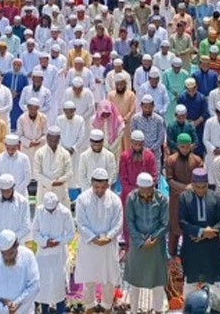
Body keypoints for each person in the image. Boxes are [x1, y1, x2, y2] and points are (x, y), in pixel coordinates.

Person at [75, 167, 124, 312]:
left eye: (103, 187)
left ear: (108, 185)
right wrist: (94, 238)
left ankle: (107, 306)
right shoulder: (82, 199)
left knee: (108, 279)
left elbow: (118, 223)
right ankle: (89, 306)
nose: (100, 190)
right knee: (88, 279)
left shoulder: (115, 200)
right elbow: (81, 223)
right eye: (96, 187)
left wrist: (108, 237)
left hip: (108, 247)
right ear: (91, 183)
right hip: (89, 246)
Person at [123, 172, 169, 314]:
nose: (146, 194)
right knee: (134, 280)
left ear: (153, 187)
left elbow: (165, 223)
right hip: (138, 245)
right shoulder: (131, 198)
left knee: (158, 281)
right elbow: (129, 223)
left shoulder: (162, 199)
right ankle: (134, 310)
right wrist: (141, 241)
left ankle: (158, 310)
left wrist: (153, 238)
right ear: (138, 188)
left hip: (156, 244)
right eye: (142, 191)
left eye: (148, 190)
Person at [178, 167, 220, 294]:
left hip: (211, 248)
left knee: (212, 285)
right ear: (192, 184)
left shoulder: (215, 197)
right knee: (191, 283)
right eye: (197, 187)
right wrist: (200, 231)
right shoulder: (184, 198)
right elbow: (182, 222)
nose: (201, 190)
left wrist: (207, 233)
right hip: (192, 248)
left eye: (204, 187)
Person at [0, 229, 41, 314]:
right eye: (4, 254)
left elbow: (35, 285)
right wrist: (3, 308)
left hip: (24, 310)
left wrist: (16, 303)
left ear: (16, 246)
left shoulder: (28, 255)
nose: (7, 257)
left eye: (10, 253)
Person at [165, 133, 203, 256]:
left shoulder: (197, 160)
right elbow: (169, 180)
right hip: (176, 200)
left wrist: (194, 188)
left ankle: (190, 257)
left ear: (191, 146)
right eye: (182, 147)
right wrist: (184, 188)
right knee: (174, 229)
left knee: (190, 229)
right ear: (177, 146)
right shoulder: (171, 160)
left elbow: (201, 178)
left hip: (192, 200)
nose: (185, 150)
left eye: (187, 147)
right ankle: (172, 258)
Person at [0, 173, 31, 248]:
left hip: (15, 245)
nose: (6, 194)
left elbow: (26, 226)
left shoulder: (23, 202)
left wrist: (11, 241)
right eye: (3, 191)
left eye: (8, 191)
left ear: (13, 188)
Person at [35, 125, 73, 208]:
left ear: (59, 139)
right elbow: (36, 173)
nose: (53, 142)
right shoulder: (39, 153)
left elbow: (69, 172)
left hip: (60, 189)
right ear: (47, 138)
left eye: (55, 140)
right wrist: (50, 183)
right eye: (51, 139)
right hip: (44, 189)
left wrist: (60, 181)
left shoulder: (65, 153)